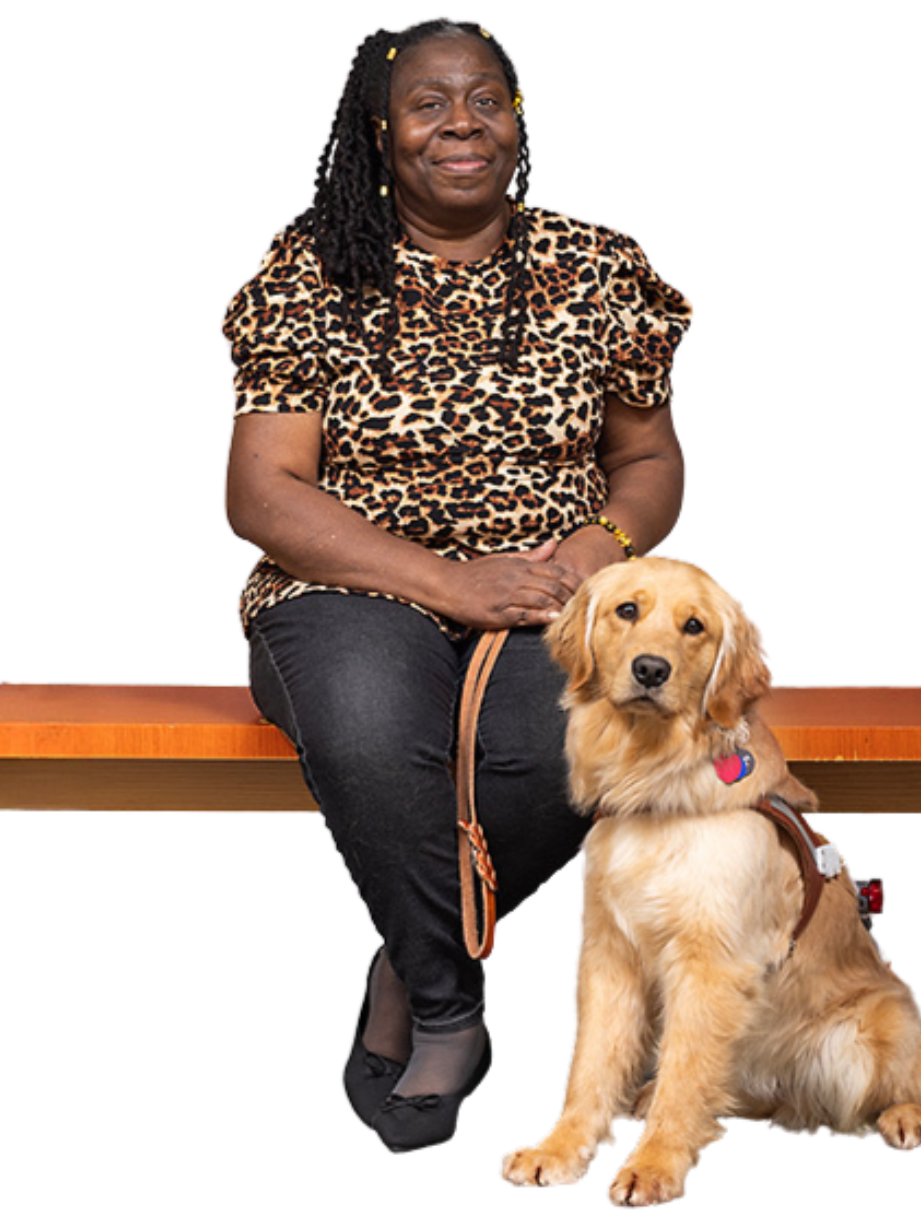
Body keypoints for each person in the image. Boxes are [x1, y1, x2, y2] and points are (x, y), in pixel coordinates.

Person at [221, 16, 693, 1152]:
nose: (461, 124)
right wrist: (446, 580)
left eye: (486, 98)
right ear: (381, 131)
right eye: (429, 104)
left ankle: (408, 954)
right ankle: (448, 1008)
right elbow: (264, 492)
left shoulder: (595, 263)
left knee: (563, 746)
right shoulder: (314, 266)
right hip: (350, 583)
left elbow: (650, 458)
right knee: (377, 727)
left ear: (515, 119)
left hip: (551, 588)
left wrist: (598, 548)